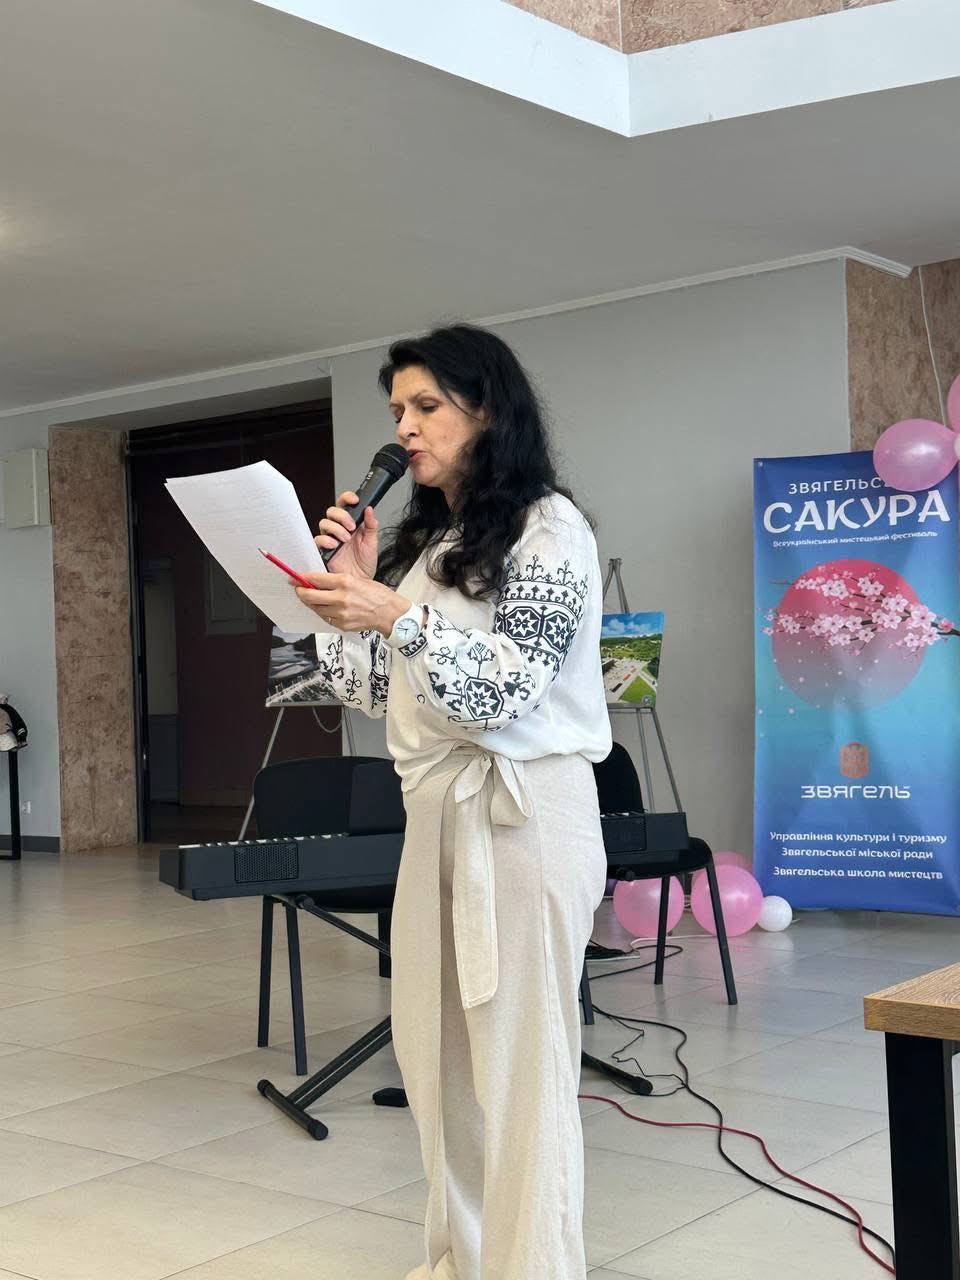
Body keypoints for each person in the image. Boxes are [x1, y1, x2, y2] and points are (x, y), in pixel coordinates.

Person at [297, 324, 611, 1280]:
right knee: (438, 1066)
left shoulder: (550, 528)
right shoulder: (433, 547)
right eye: (398, 409)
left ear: (488, 410)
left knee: (519, 1071)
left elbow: (505, 691)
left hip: (523, 813)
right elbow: (373, 691)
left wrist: (394, 614)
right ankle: (463, 1262)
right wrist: (352, 590)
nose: (404, 427)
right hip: (435, 809)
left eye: (426, 405)